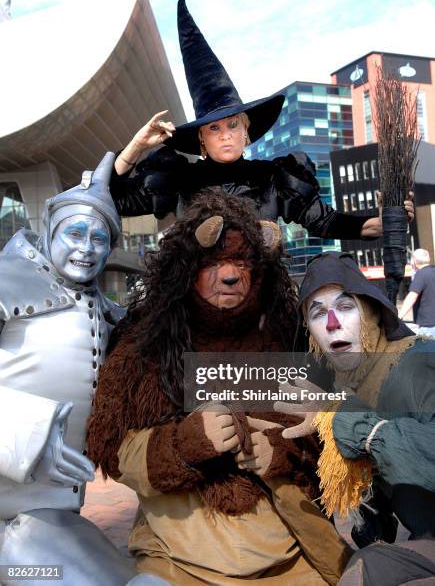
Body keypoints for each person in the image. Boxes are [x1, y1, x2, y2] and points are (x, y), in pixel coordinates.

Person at [87, 191, 352, 585]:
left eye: (243, 263)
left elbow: (328, 441)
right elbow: (111, 447)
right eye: (213, 262)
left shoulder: (288, 338)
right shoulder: (147, 345)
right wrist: (182, 444)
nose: (230, 275)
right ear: (186, 270)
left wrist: (283, 452)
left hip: (289, 556)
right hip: (183, 559)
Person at [110, 0, 414, 240]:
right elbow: (112, 199)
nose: (225, 134)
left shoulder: (274, 178)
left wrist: (384, 222)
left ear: (246, 131)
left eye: (233, 125)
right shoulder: (179, 180)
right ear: (201, 138)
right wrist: (136, 148)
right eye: (214, 128)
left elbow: (326, 221)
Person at [0, 153, 162, 586]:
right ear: (51, 232)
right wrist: (28, 436)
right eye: (75, 232)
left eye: (99, 238)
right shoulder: (5, 283)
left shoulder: (104, 313)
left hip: (45, 517)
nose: (86, 248)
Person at [274, 252, 435, 585]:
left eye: (346, 308)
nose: (332, 324)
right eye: (318, 315)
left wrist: (349, 420)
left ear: (373, 313)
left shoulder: (416, 367)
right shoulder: (350, 381)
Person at [399, 248, 435, 338]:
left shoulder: (421, 274)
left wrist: (399, 316)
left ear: (414, 262)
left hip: (428, 325)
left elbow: (412, 297)